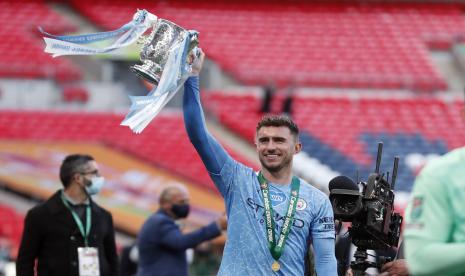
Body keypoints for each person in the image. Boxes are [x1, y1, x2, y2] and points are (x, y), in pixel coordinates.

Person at [183, 49, 337, 275]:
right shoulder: (236, 180)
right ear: (256, 145)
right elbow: (198, 134)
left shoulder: (317, 200)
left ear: (297, 148)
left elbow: (325, 260)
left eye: (279, 140)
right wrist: (192, 76)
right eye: (264, 140)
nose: (271, 146)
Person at [16, 154, 118, 276]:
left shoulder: (104, 216)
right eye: (94, 173)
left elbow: (113, 261)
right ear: (78, 178)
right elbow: (25, 262)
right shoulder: (40, 215)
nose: (99, 178)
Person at [136, 185, 227, 276]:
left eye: (187, 201)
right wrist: (217, 226)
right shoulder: (160, 222)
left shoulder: (162, 221)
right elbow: (181, 242)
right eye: (181, 202)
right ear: (165, 204)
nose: (185, 205)